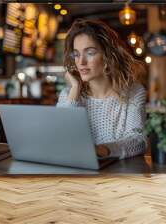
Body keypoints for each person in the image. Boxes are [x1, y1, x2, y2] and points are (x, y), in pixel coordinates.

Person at [56, 19, 147, 159]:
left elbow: (138, 141)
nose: (81, 62)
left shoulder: (134, 92)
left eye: (90, 53)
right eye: (76, 54)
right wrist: (75, 90)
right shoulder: (68, 95)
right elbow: (58, 138)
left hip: (118, 176)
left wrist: (101, 150)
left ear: (107, 56)